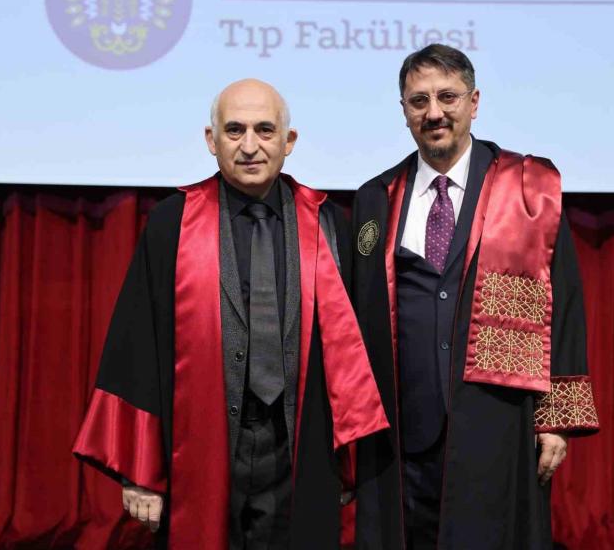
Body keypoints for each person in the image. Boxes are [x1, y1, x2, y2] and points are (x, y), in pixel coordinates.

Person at [72, 79, 389, 550]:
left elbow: (351, 356)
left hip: (298, 447)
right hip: (202, 445)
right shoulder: (172, 223)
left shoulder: (328, 224)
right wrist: (139, 473)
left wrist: (347, 461)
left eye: (265, 130)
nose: (250, 146)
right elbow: (138, 345)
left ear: (289, 141)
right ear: (211, 139)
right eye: (235, 130)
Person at [350, 44, 600, 549]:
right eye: (419, 101)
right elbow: (356, 319)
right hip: (404, 432)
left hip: (499, 423)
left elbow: (565, 305)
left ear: (474, 101)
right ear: (404, 110)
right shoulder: (375, 198)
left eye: (448, 97)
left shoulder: (528, 189)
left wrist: (556, 420)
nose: (434, 113)